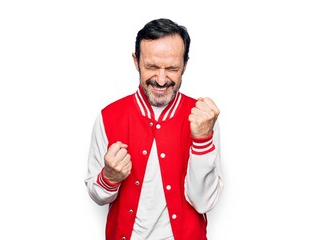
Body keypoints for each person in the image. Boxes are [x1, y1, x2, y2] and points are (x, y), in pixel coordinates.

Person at [85, 18, 223, 240]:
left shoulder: (202, 117)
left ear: (185, 65)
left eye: (172, 68)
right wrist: (109, 177)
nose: (161, 79)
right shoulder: (108, 117)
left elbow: (203, 202)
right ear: (136, 61)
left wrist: (202, 140)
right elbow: (98, 195)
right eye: (151, 66)